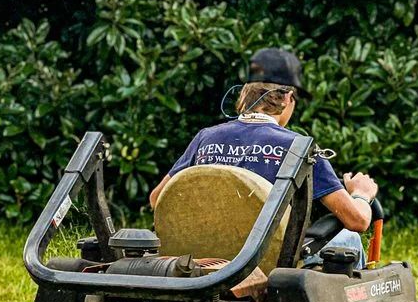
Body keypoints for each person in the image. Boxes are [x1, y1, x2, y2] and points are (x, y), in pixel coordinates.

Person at [148, 48, 377, 268]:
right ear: (288, 98)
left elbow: (158, 199)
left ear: (246, 93)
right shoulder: (300, 148)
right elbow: (357, 221)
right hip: (269, 266)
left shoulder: (205, 138)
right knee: (349, 238)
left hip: (203, 264)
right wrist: (361, 194)